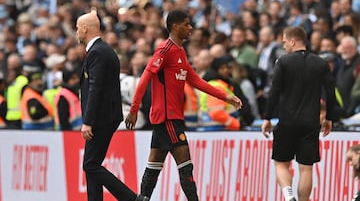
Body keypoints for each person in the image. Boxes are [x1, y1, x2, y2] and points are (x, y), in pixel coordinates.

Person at [125, 10, 242, 200]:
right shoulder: (164, 50)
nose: (191, 28)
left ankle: (142, 198)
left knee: (154, 165)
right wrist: (134, 109)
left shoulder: (180, 52)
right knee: (185, 165)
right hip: (168, 118)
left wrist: (226, 97)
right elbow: (145, 76)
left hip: (168, 118)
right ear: (175, 26)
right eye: (187, 24)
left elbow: (195, 80)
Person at [76, 11, 148, 201]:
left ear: (84, 28)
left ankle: (133, 198)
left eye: (77, 28)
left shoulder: (98, 52)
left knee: (91, 165)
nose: (76, 32)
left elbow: (95, 88)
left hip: (101, 118)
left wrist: (88, 121)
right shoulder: (102, 50)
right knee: (92, 164)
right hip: (104, 116)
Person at [261, 26, 336, 201]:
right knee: (306, 168)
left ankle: (289, 196)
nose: (284, 45)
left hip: (287, 121)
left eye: (285, 42)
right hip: (310, 122)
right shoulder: (321, 63)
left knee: (281, 164)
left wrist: (267, 117)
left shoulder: (283, 62)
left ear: (293, 41)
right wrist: (329, 118)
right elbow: (331, 93)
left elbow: (274, 92)